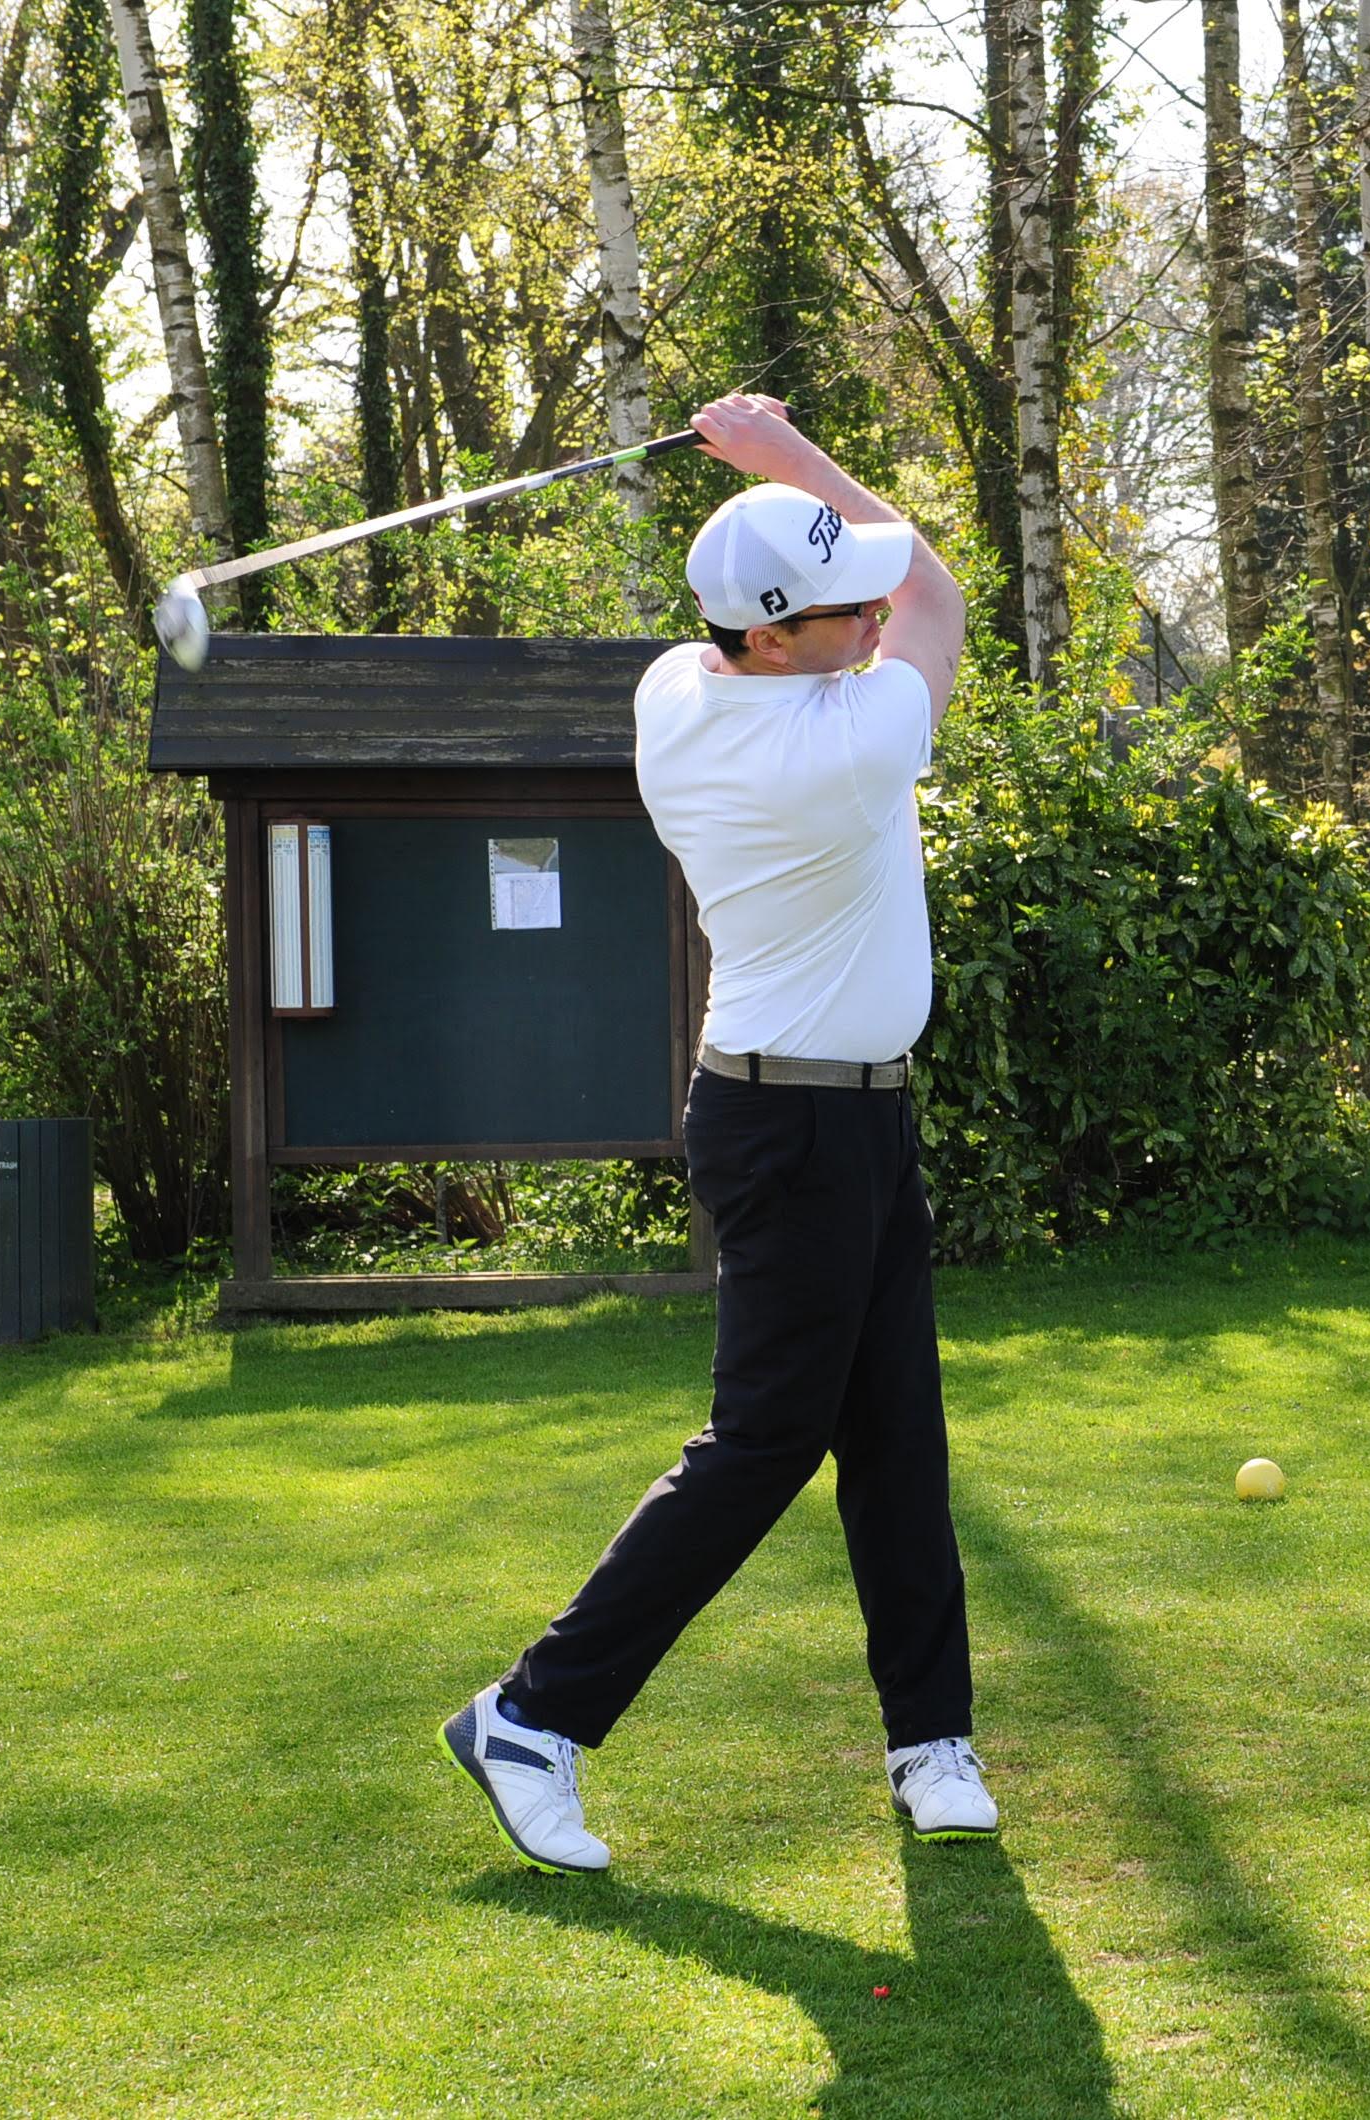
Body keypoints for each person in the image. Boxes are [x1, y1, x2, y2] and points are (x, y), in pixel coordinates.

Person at [442, 393, 991, 1873]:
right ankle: (532, 1716)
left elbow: (881, 590)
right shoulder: (845, 747)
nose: (872, 618)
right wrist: (786, 454)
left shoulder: (680, 690)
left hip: (841, 1117)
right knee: (764, 1443)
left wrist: (784, 509)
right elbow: (938, 594)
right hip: (792, 1126)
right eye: (840, 610)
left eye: (857, 601)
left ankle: (930, 1736)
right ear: (770, 636)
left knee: (898, 1437)